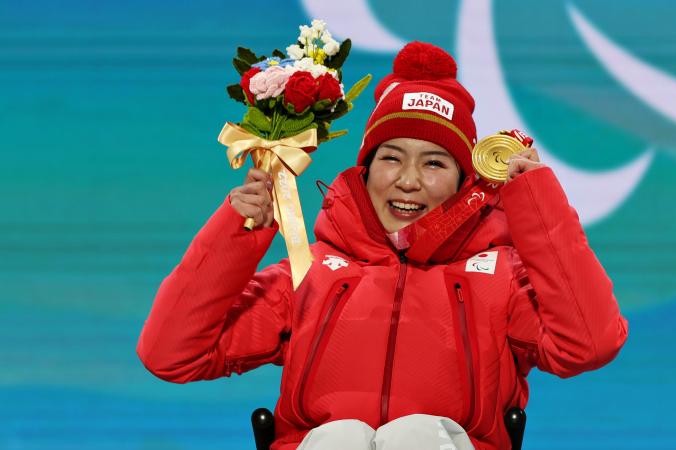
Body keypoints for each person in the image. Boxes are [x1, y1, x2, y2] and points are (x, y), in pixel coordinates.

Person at [137, 41, 628, 450]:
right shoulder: (311, 272)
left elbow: (589, 343)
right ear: (366, 169)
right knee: (340, 440)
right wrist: (236, 231)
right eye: (392, 158)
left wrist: (534, 200)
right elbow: (170, 354)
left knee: (415, 437)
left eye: (435, 164)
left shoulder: (497, 276)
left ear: (464, 180)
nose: (409, 181)